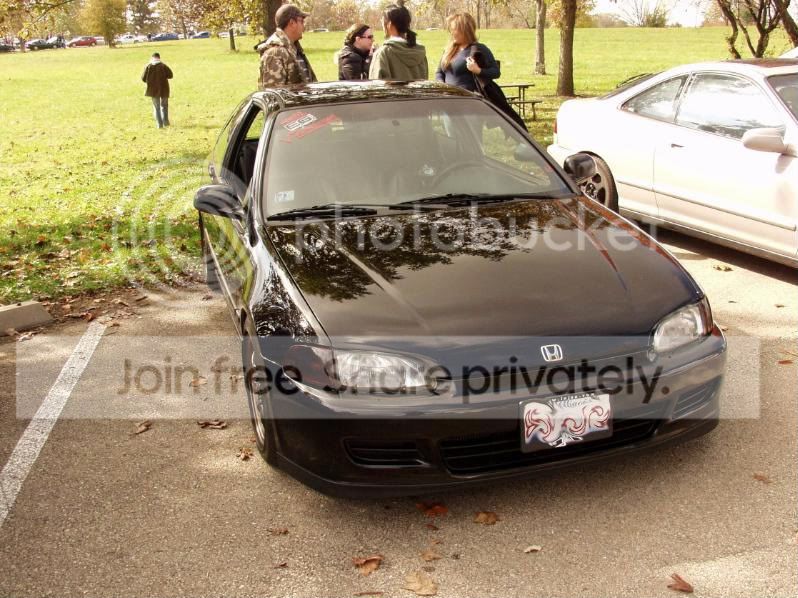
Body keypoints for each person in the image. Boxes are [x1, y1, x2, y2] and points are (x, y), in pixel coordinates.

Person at [257, 3, 317, 89]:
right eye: (301, 21)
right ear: (292, 23)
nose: (303, 26)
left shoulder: (294, 50)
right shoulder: (275, 53)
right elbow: (273, 94)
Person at [435, 13, 498, 94]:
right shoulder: (449, 49)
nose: (451, 33)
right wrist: (441, 85)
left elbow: (496, 72)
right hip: (447, 97)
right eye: (450, 30)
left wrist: (478, 70)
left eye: (454, 29)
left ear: (465, 31)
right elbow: (439, 72)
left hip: (467, 98)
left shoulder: (479, 49)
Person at [368, 0, 427, 81]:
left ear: (389, 25)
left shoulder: (383, 53)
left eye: (383, 22)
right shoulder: (420, 52)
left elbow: (375, 87)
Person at [141, 52, 173, 128]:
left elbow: (143, 78)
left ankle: (159, 125)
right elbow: (170, 75)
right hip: (164, 89)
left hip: (153, 90)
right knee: (164, 106)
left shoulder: (148, 66)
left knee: (156, 107)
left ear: (152, 58)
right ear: (159, 58)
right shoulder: (163, 66)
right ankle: (166, 123)